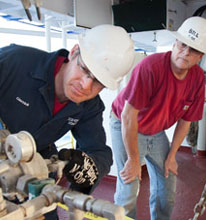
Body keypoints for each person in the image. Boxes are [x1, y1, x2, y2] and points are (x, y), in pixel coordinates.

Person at [0, 24, 135, 217]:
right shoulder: (14, 62)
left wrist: (88, 166)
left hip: (33, 173)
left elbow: (100, 152)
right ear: (73, 52)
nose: (85, 85)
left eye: (98, 82)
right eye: (85, 69)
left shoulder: (90, 106)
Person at [109, 16, 206, 220]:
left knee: (167, 186)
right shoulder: (150, 67)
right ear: (175, 44)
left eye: (193, 50)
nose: (185, 52)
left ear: (200, 56)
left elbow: (186, 120)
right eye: (183, 45)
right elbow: (128, 116)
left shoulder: (197, 78)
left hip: (155, 131)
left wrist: (172, 155)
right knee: (129, 189)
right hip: (127, 124)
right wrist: (133, 159)